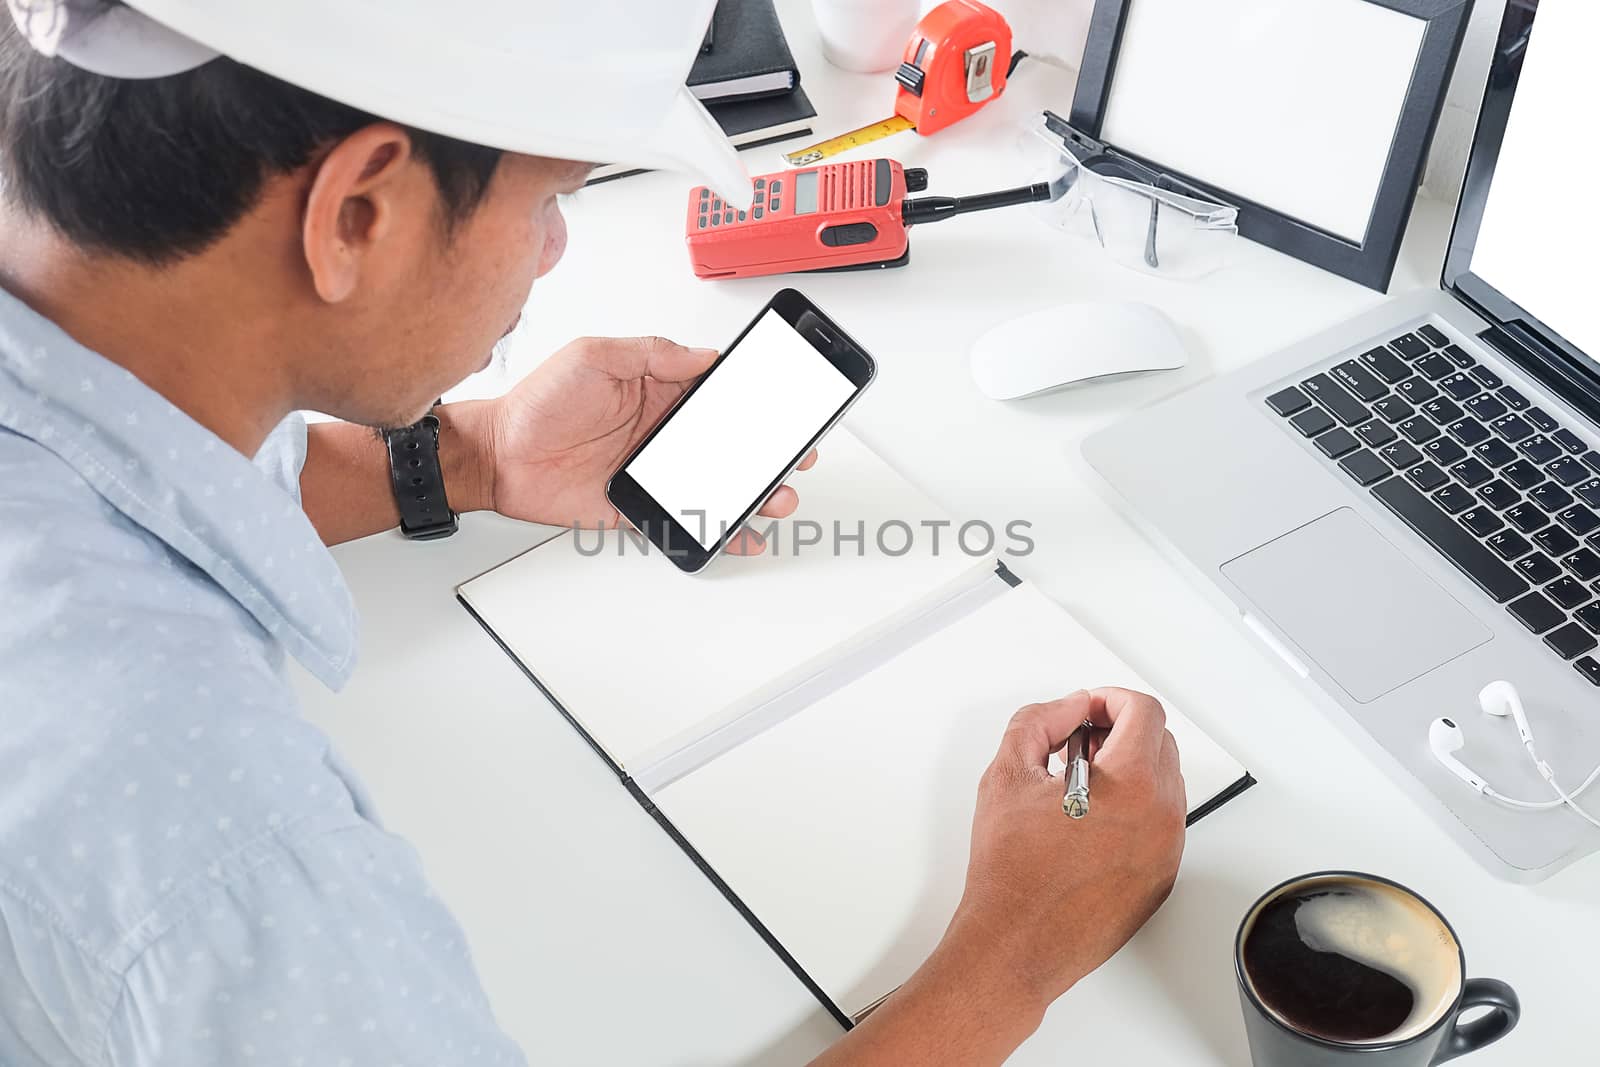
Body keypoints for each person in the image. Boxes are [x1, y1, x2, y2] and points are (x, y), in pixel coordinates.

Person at [0, 2, 1186, 1064]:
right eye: (552, 199)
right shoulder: (235, 871)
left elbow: (120, 471)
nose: (557, 249)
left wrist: (473, 454)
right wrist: (1016, 953)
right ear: (359, 212)